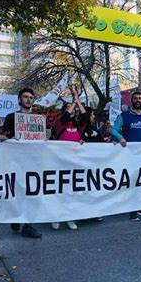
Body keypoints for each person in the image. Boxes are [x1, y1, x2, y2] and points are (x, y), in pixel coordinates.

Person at [111, 91, 141, 221]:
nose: (138, 100)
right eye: (135, 98)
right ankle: (132, 209)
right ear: (132, 101)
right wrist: (120, 138)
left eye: (140, 98)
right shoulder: (124, 115)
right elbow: (113, 130)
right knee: (132, 182)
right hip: (130, 156)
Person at [0, 88, 43, 238]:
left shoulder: (37, 119)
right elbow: (3, 136)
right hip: (15, 161)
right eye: (25, 97)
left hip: (32, 162)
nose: (29, 100)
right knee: (17, 191)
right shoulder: (11, 117)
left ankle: (28, 225)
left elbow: (41, 139)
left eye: (31, 97)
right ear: (19, 100)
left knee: (30, 192)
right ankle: (15, 216)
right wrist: (8, 139)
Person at [50, 87, 89, 230]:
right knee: (58, 190)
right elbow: (66, 115)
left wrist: (77, 101)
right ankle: (56, 217)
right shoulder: (60, 122)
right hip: (59, 162)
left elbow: (85, 116)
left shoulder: (77, 125)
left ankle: (69, 217)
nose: (71, 110)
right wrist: (73, 101)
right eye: (68, 108)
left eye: (73, 108)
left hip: (74, 163)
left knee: (71, 192)